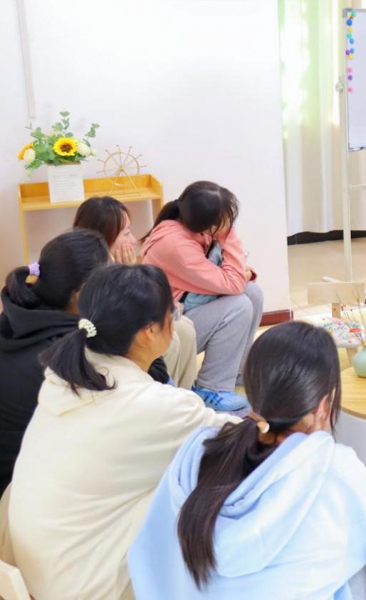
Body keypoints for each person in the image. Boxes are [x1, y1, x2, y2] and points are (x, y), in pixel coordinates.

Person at [1, 264, 238, 600]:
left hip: (36, 571)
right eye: (171, 313)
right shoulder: (152, 405)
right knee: (208, 494)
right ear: (148, 331)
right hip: (82, 587)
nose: (177, 319)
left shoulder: (67, 375)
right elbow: (241, 440)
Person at [128, 322, 366, 599]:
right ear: (322, 406)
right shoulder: (331, 468)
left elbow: (149, 551)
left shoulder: (198, 450)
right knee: (365, 556)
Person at [0, 230, 170, 496]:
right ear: (82, 294)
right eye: (110, 277)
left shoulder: (17, 315)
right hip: (32, 485)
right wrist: (135, 304)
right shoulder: (72, 346)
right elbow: (151, 378)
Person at [142, 181, 263, 411]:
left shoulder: (195, 230)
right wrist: (229, 235)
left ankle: (235, 371)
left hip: (187, 309)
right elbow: (234, 282)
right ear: (207, 224)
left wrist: (238, 269)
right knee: (239, 305)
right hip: (169, 327)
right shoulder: (176, 245)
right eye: (226, 220)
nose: (230, 224)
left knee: (253, 294)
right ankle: (211, 388)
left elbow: (234, 280)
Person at [74, 196, 199, 389]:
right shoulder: (86, 273)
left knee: (185, 328)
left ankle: (185, 395)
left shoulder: (111, 265)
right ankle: (164, 397)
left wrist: (126, 272)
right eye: (126, 233)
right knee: (171, 339)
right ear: (104, 237)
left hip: (124, 331)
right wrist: (124, 276)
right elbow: (117, 320)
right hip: (105, 342)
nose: (133, 240)